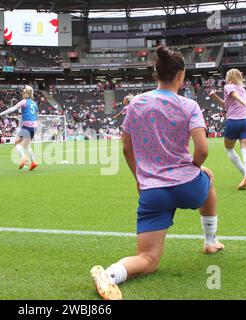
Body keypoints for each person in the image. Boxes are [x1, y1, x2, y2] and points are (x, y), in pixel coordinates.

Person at [90, 46, 224, 300]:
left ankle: (109, 274)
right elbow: (203, 150)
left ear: (156, 73)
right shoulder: (189, 105)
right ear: (181, 76)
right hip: (188, 187)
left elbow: (127, 148)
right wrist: (195, 166)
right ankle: (210, 241)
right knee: (208, 179)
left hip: (153, 190)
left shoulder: (137, 103)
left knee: (148, 259)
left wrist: (139, 178)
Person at [209, 69, 246, 189]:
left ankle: (245, 174)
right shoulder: (243, 89)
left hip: (234, 121)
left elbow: (234, 96)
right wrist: (215, 97)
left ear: (228, 77)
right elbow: (227, 105)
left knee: (229, 149)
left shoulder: (228, 86)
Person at [0, 85, 38, 171]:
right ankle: (33, 162)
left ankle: (23, 159)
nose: (22, 94)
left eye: (24, 92)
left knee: (17, 143)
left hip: (27, 125)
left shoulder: (24, 101)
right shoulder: (34, 103)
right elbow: (36, 114)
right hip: (34, 126)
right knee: (27, 145)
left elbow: (11, 109)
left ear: (27, 94)